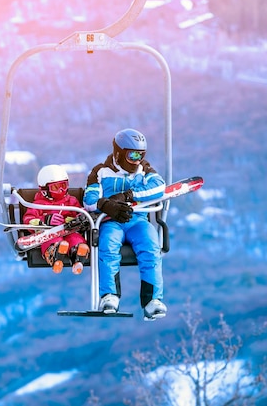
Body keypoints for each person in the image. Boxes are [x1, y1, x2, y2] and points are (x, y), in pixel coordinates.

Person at [83, 128, 167, 320]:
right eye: (133, 155)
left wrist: (129, 195)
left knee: (150, 246)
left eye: (141, 155)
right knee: (108, 246)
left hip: (137, 220)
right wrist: (106, 205)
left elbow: (159, 187)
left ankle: (152, 300)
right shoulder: (100, 172)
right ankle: (110, 296)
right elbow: (89, 199)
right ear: (119, 152)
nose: (137, 160)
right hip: (111, 221)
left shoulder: (144, 169)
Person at [23, 164, 90, 275]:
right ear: (44, 190)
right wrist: (45, 220)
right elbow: (28, 219)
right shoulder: (39, 204)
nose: (61, 190)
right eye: (55, 187)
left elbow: (81, 214)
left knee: (75, 238)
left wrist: (74, 220)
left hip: (68, 231)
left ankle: (78, 254)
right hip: (50, 233)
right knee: (51, 239)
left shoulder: (71, 201)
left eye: (64, 185)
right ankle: (55, 254)